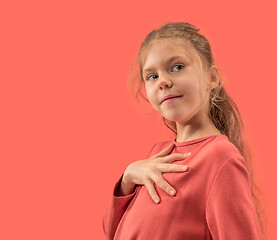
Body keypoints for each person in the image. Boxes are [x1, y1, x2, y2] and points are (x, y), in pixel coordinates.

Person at [102, 21, 267, 240]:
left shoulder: (219, 157)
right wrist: (128, 178)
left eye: (177, 67)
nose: (163, 82)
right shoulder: (158, 154)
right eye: (152, 76)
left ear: (212, 77)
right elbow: (111, 231)